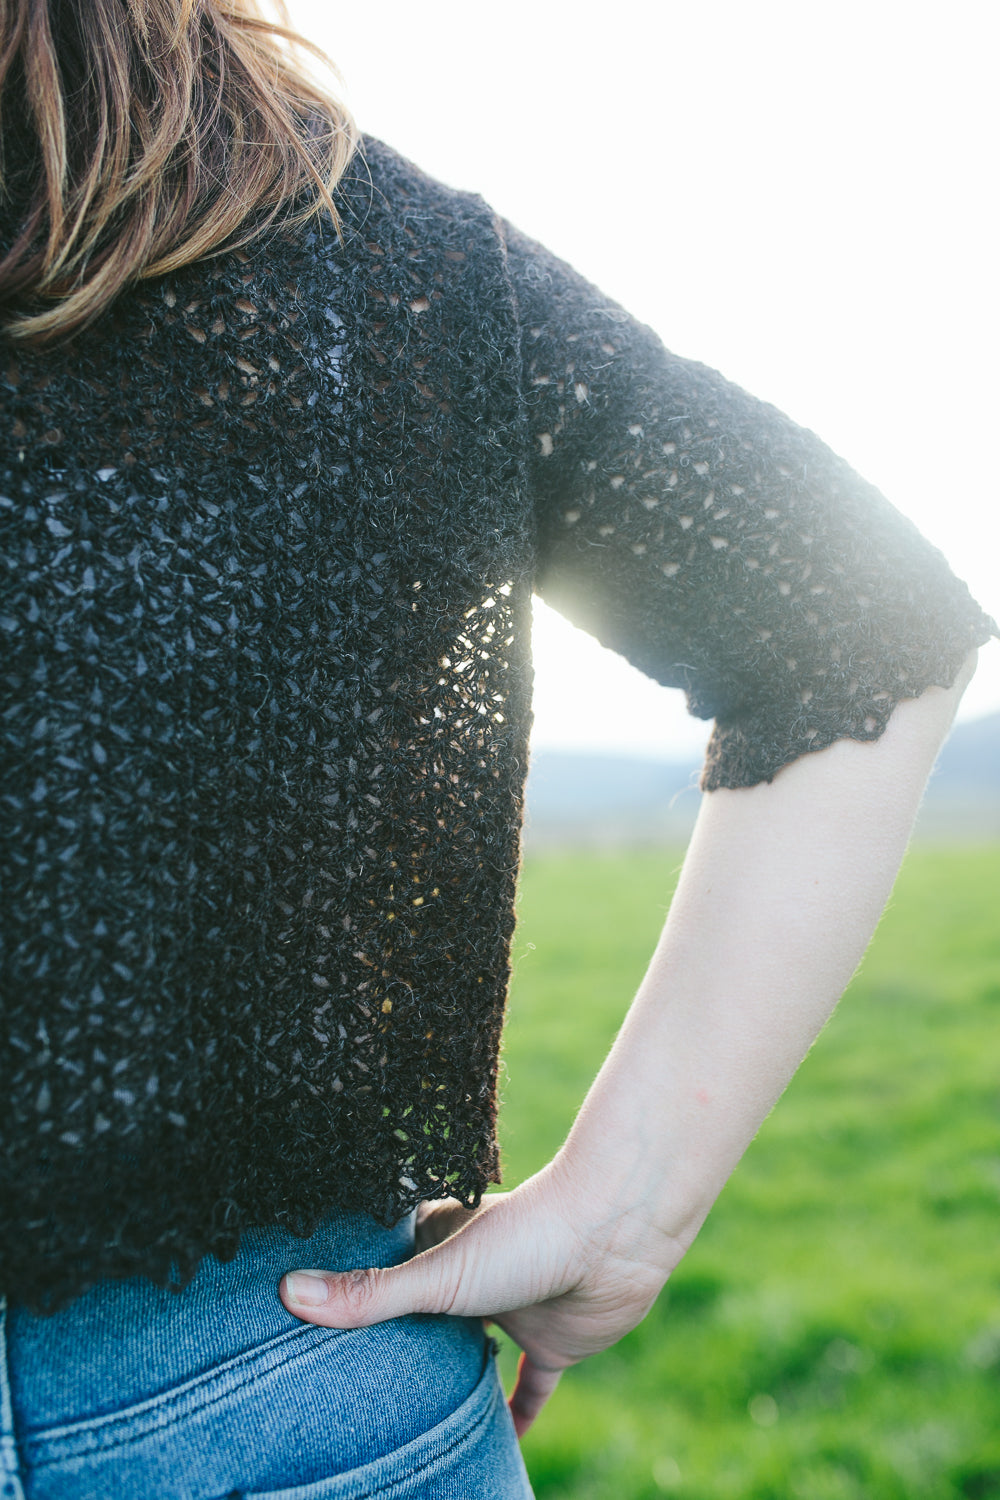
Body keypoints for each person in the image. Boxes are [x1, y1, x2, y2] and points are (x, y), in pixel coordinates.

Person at [0, 3, 995, 1497]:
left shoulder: (334, 234)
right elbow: (853, 617)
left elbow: (854, 618)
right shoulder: (355, 251)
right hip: (294, 1391)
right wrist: (628, 1214)